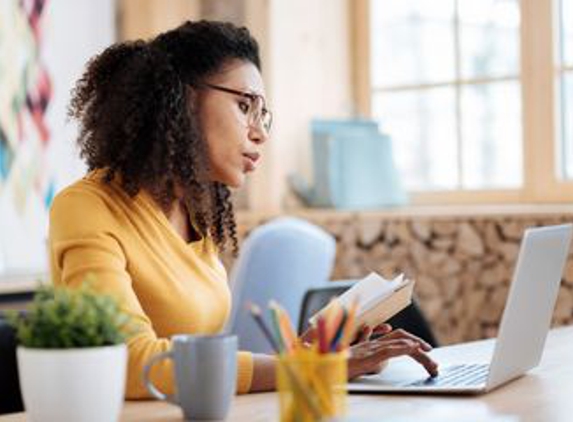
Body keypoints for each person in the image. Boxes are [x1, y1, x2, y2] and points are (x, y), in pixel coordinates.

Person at [49, 20, 438, 399]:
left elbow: (199, 363)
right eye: (244, 105)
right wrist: (317, 368)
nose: (260, 132)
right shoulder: (86, 207)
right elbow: (132, 366)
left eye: (262, 113)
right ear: (180, 99)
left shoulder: (195, 214)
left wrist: (315, 352)